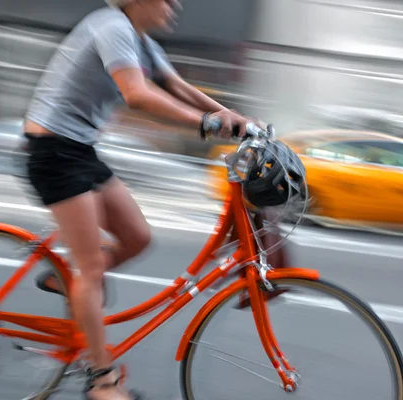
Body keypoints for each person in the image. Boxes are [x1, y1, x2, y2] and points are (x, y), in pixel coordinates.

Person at [22, 0, 254, 398]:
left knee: (137, 238)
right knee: (92, 268)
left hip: (80, 150)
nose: (175, 5)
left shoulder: (142, 42)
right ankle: (102, 382)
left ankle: (72, 285)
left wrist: (239, 121)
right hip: (53, 152)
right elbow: (137, 94)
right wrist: (205, 124)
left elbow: (178, 87)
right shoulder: (111, 26)